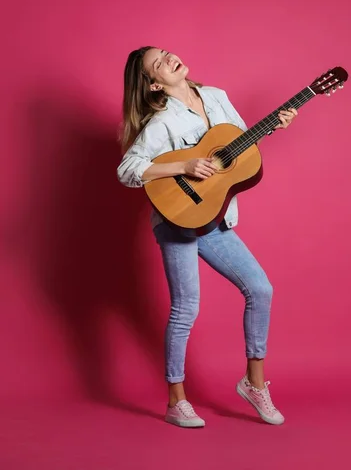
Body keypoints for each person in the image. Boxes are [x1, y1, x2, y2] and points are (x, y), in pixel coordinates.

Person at [117, 46, 298, 428]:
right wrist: (185, 164)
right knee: (186, 310)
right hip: (176, 222)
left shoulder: (216, 97)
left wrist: (273, 126)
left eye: (166, 52)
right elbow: (127, 170)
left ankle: (254, 383)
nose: (169, 58)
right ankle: (176, 400)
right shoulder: (161, 121)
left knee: (260, 289)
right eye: (158, 63)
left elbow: (237, 148)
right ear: (154, 84)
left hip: (214, 219)